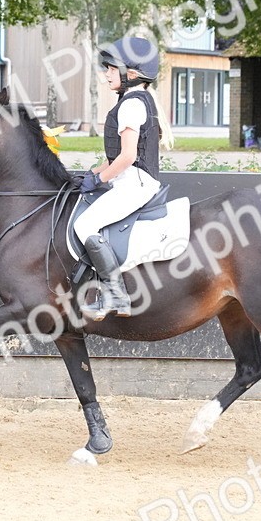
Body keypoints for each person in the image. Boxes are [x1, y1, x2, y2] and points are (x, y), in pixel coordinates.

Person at [75, 36, 162, 320]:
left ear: (132, 74)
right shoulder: (134, 100)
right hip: (130, 179)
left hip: (135, 184)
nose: (107, 74)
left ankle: (116, 296)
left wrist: (99, 180)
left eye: (112, 68)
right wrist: (91, 174)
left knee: (84, 224)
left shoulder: (131, 105)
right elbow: (115, 159)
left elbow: (126, 157)